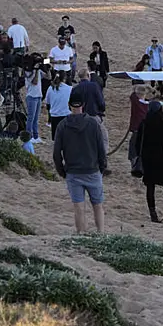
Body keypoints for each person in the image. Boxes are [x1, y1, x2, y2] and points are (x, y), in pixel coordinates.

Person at [53, 93, 107, 234]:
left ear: (69, 105)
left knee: (78, 206)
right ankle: (100, 233)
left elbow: (56, 153)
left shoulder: (63, 125)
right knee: (98, 205)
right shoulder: (93, 124)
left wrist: (62, 171)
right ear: (83, 105)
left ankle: (81, 234)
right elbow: (101, 149)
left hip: (73, 171)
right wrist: (102, 167)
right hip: (92, 170)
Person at [136, 101, 163, 225]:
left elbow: (137, 144)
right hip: (160, 158)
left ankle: (153, 215)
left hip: (147, 159)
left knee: (150, 187)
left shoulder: (144, 124)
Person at [46, 75, 72, 140]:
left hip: (54, 115)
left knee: (56, 138)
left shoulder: (50, 88)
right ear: (65, 79)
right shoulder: (70, 88)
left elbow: (48, 102)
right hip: (66, 115)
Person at [128, 85, 149, 165]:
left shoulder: (137, 102)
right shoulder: (148, 104)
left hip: (137, 128)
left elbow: (132, 96)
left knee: (133, 146)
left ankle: (135, 162)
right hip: (145, 129)